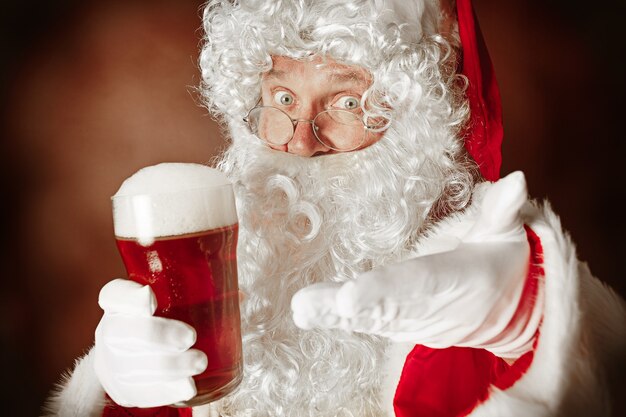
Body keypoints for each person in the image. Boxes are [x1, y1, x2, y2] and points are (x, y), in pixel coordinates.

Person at [44, 0, 626, 416]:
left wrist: (528, 326)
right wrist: (117, 391)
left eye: (347, 101)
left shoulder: (486, 268)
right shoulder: (218, 274)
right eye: (284, 98)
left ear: (414, 118)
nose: (300, 140)